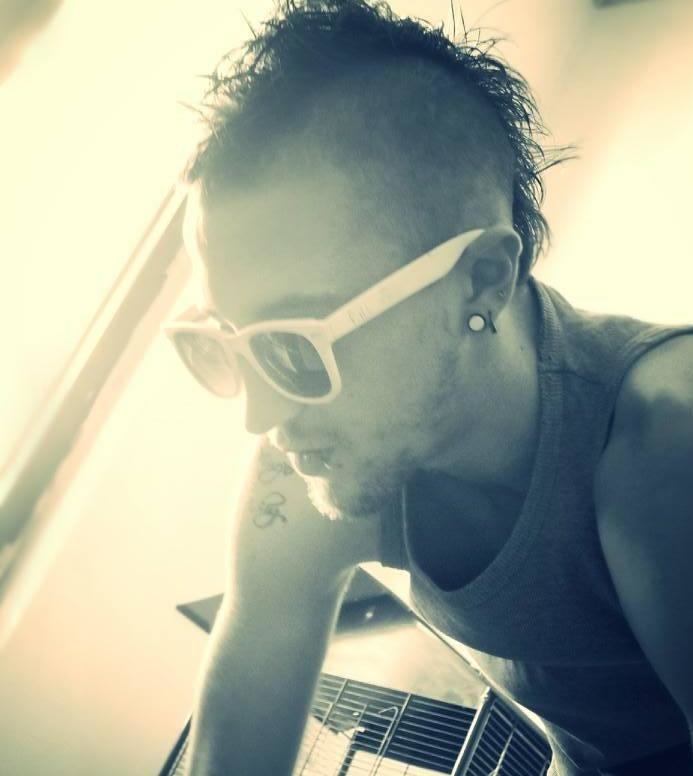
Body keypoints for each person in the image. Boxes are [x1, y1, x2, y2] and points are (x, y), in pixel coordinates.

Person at [165, 1, 693, 774]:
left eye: (295, 346)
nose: (262, 416)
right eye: (224, 347)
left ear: (480, 280)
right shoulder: (305, 463)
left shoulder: (661, 438)